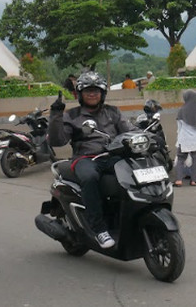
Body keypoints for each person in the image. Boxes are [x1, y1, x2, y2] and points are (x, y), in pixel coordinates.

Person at [48, 71, 136, 249]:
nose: (92, 94)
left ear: (102, 93)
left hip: (112, 156)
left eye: (96, 90)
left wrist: (147, 135)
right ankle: (99, 229)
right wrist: (56, 115)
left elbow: (129, 130)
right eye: (88, 90)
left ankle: (130, 219)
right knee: (89, 178)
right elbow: (58, 141)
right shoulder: (72, 115)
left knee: (134, 173)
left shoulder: (113, 112)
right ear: (80, 94)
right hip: (86, 158)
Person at [174, 89, 196, 187]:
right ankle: (194, 180)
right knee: (195, 159)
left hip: (184, 139)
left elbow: (179, 128)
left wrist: (178, 140)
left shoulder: (181, 110)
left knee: (180, 159)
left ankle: (179, 180)